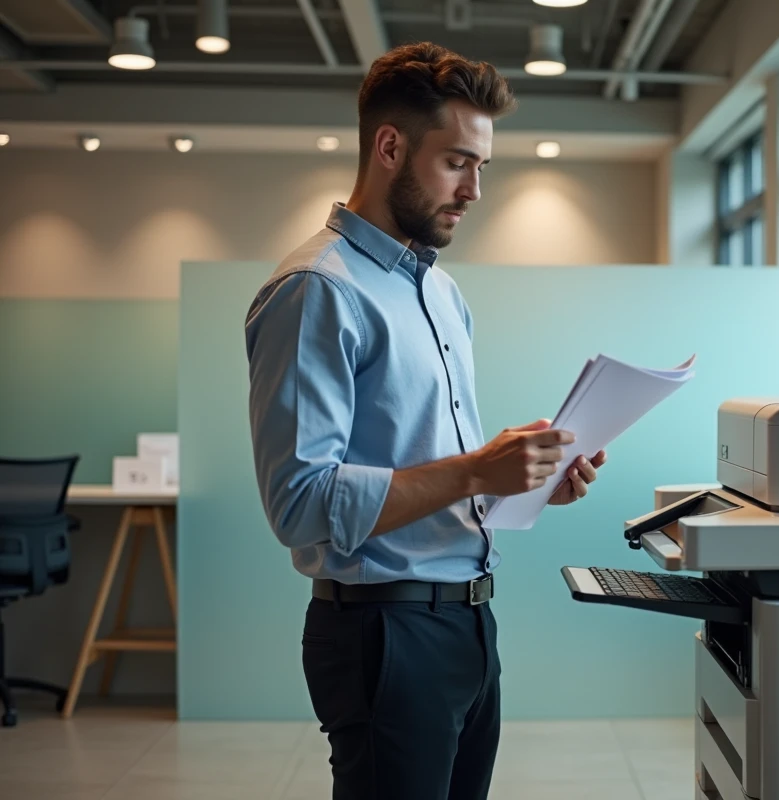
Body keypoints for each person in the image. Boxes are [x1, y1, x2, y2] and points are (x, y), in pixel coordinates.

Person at [243, 42, 606, 800]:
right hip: (383, 634)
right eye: (457, 162)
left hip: (468, 623)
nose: (475, 189)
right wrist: (477, 468)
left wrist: (523, 481)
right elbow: (300, 504)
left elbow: (428, 471)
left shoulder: (440, 294)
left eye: (484, 167)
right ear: (389, 147)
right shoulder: (319, 290)